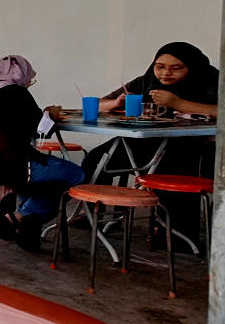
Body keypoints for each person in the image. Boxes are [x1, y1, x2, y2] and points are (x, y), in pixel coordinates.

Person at [85, 42, 218, 238]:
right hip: (144, 143)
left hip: (196, 147)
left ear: (193, 67)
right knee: (97, 159)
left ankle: (177, 233)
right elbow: (98, 104)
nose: (165, 74)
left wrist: (178, 103)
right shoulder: (145, 83)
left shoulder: (211, 82)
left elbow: (220, 111)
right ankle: (92, 215)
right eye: (160, 67)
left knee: (173, 167)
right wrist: (116, 103)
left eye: (176, 68)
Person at [0, 55, 83, 251]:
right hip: (17, 166)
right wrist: (50, 113)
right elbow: (41, 129)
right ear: (19, 73)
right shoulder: (15, 93)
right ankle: (20, 216)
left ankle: (24, 222)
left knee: (48, 187)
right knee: (77, 175)